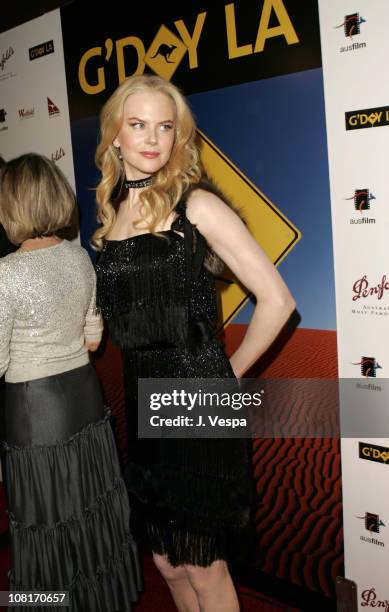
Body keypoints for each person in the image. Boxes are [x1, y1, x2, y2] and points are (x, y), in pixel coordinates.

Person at [94, 74, 295, 612]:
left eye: (165, 126)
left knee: (205, 567)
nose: (152, 138)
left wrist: (226, 380)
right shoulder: (111, 213)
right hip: (145, 405)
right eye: (137, 125)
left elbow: (277, 301)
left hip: (198, 399)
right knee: (167, 561)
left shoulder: (197, 206)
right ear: (114, 134)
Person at [0, 153, 141, 611]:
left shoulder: (5, 273)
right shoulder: (78, 256)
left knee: (44, 522)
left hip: (34, 411)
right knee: (90, 510)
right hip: (83, 397)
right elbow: (95, 337)